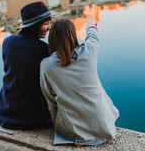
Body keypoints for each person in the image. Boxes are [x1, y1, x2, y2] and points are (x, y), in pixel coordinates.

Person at [40, 17, 119, 145]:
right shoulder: (89, 51)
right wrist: (91, 26)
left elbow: (50, 97)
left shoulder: (46, 65)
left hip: (75, 131)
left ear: (52, 38)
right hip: (105, 126)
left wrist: (55, 119)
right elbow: (93, 37)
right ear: (73, 35)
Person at [0, 1, 52, 129]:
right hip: (31, 115)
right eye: (46, 24)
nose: (49, 27)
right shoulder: (43, 49)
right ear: (35, 26)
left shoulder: (8, 41)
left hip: (6, 108)